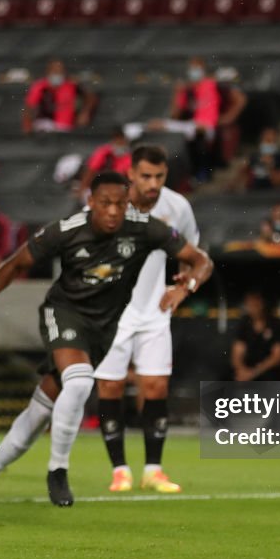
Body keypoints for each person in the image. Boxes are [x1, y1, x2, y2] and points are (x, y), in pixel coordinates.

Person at [0, 171, 212, 506]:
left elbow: (201, 260)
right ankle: (58, 471)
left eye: (120, 203)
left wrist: (185, 286)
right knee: (79, 383)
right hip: (64, 314)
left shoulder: (145, 228)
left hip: (104, 330)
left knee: (39, 411)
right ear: (91, 202)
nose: (114, 211)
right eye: (105, 203)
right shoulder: (68, 229)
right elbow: (15, 264)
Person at [90, 145, 200, 494]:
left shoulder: (177, 207)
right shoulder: (110, 203)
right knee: (110, 386)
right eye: (146, 176)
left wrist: (182, 289)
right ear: (132, 174)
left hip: (155, 311)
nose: (153, 184)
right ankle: (119, 470)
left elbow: (193, 254)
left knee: (156, 387)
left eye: (160, 177)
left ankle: (153, 469)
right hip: (112, 314)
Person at [167, 57, 247, 181]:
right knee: (156, 125)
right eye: (192, 68)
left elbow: (240, 99)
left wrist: (228, 118)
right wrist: (177, 93)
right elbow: (175, 115)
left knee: (199, 134)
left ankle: (203, 172)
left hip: (209, 126)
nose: (194, 71)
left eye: (197, 68)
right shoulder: (187, 90)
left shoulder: (213, 84)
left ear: (203, 69)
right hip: (190, 125)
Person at [22, 59, 97, 134]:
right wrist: (27, 123)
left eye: (59, 71)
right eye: (54, 71)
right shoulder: (39, 86)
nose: (57, 74)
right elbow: (29, 107)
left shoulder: (71, 85)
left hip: (66, 127)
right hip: (45, 126)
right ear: (48, 72)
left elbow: (91, 97)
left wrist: (85, 112)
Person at [231, 291, 280, 382]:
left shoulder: (276, 324)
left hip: (268, 373)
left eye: (256, 303)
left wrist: (254, 373)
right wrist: (241, 370)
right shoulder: (244, 324)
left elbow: (278, 357)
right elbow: (237, 353)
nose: (253, 307)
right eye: (250, 304)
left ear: (263, 303)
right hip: (246, 372)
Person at [235, 127, 280, 191]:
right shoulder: (255, 156)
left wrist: (269, 167)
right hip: (254, 192)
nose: (267, 144)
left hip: (272, 193)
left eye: (270, 141)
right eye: (265, 139)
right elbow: (243, 176)